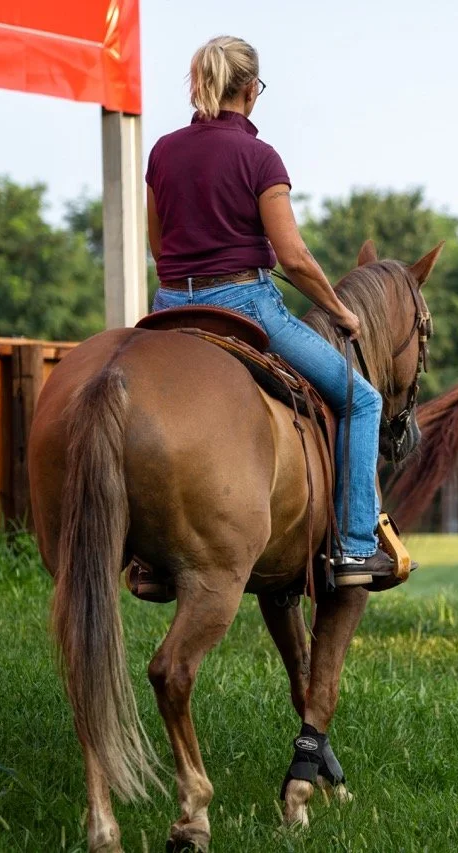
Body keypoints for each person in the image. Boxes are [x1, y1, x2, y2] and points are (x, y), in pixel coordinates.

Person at [145, 35, 396, 585]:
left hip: (168, 308)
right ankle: (356, 545)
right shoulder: (261, 157)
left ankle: (149, 557)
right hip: (245, 306)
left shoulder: (162, 151)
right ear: (252, 91)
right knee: (362, 400)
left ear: (200, 85)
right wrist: (340, 312)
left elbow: (159, 247)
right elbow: (296, 259)